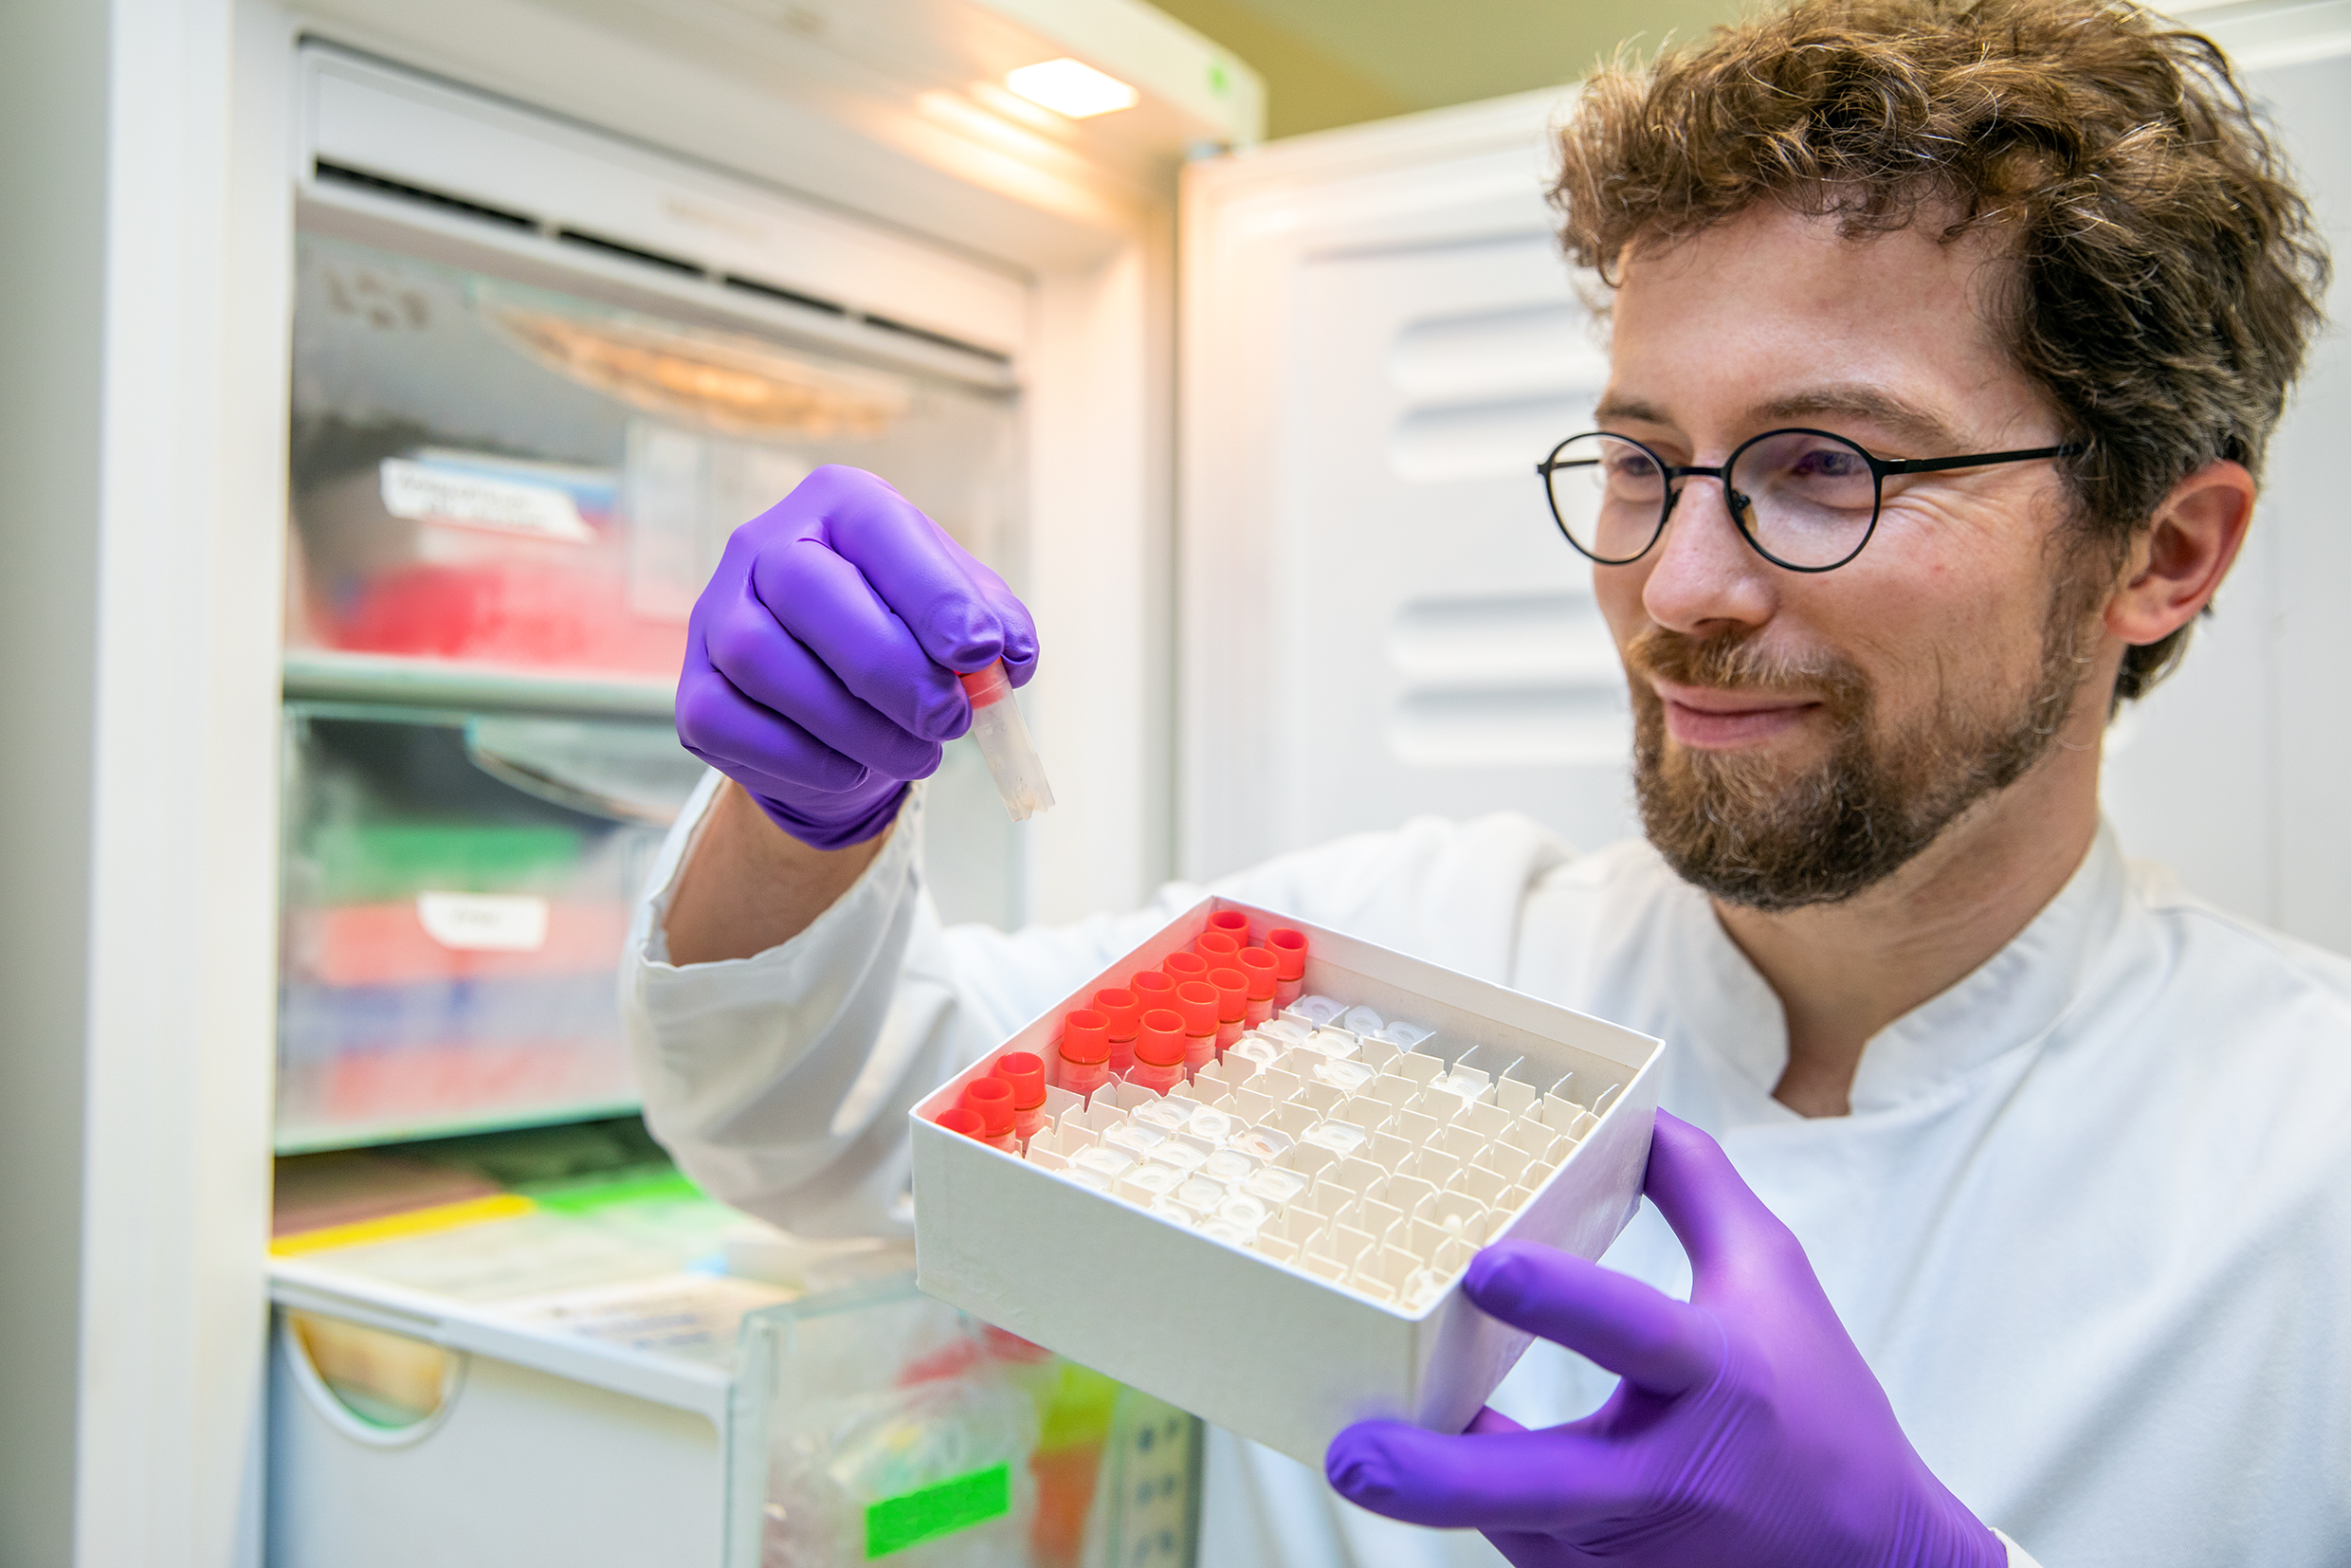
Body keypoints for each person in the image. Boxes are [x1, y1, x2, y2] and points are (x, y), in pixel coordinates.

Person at [624, 0, 2351, 1562]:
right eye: (1639, 460)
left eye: (1825, 468)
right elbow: (840, 1127)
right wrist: (807, 807)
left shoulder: (2308, 1170)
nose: (1675, 592)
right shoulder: (1390, 951)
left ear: (2166, 551)